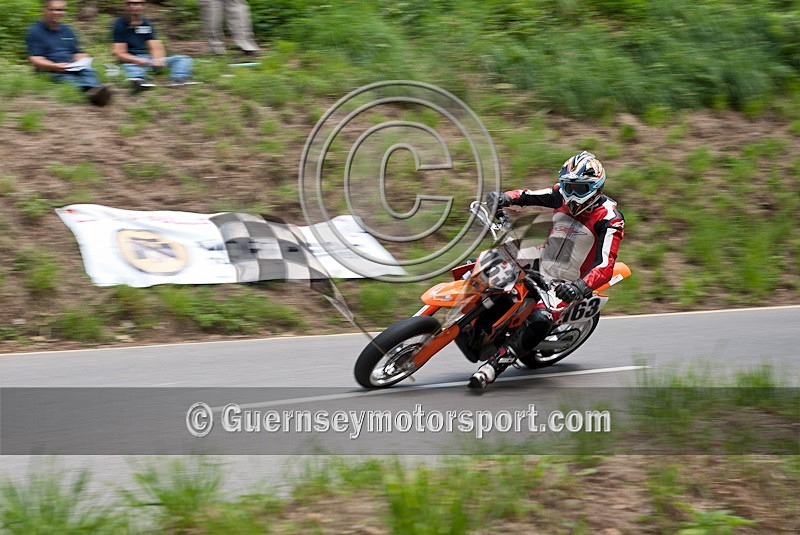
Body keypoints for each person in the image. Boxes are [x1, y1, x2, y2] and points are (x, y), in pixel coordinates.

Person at [469, 151, 625, 389]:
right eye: (568, 186)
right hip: (542, 257)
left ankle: (494, 365)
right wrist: (504, 198)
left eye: (579, 189)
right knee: (484, 262)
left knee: (541, 318)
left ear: (596, 189)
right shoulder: (560, 194)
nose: (571, 194)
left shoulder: (610, 219)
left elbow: (605, 264)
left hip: (568, 280)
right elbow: (527, 196)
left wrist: (579, 287)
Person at [26, 0, 112, 107]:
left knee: (88, 71)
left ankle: (95, 91)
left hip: (70, 66)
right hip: (51, 69)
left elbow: (76, 52)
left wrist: (83, 59)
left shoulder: (67, 31)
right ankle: (91, 94)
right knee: (66, 79)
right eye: (53, 9)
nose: (57, 13)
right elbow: (35, 59)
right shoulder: (35, 31)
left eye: (60, 10)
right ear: (45, 10)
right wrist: (54, 66)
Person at [111, 0, 194, 93]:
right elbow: (119, 52)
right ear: (126, 6)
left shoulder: (146, 23)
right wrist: (136, 60)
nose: (135, 6)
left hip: (148, 59)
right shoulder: (119, 24)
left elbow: (155, 45)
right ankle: (139, 81)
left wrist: (157, 59)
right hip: (131, 60)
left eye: (138, 4)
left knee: (183, 59)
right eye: (132, 3)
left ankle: (179, 79)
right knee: (130, 66)